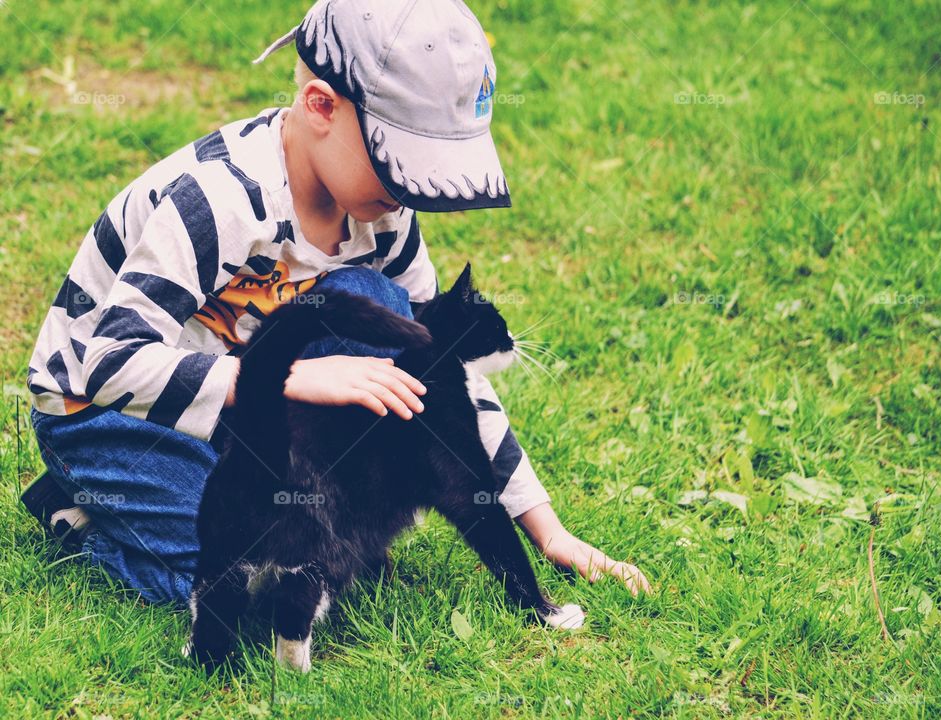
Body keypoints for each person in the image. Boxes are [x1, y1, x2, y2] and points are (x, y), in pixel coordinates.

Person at [21, 0, 650, 607]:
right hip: (109, 415)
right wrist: (294, 377)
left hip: (244, 410)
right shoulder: (216, 204)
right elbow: (103, 364)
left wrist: (547, 529)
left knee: (383, 310)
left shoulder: (384, 218)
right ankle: (81, 508)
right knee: (233, 578)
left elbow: (444, 372)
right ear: (320, 105)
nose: (410, 196)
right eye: (398, 164)